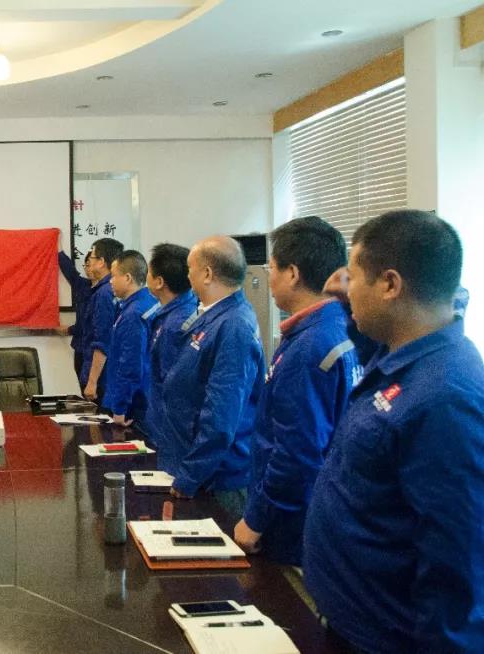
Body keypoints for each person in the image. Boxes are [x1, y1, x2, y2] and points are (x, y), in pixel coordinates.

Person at [303, 210, 484, 651]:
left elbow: (457, 562)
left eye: (353, 278)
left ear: (389, 285)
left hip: (382, 638)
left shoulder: (446, 396)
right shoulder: (403, 354)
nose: (345, 289)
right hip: (351, 620)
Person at [232, 217, 358, 566]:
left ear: (292, 273)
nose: (268, 278)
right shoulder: (335, 328)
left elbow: (297, 451)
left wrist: (256, 519)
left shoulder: (310, 345)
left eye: (271, 268)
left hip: (294, 519)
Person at [157, 236, 263, 521]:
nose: (187, 274)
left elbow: (221, 415)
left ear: (207, 274)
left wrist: (190, 474)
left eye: (190, 268)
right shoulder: (214, 315)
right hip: (194, 466)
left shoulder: (234, 325)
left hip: (217, 478)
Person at [144, 243, 197, 450]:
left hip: (170, 428)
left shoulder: (177, 323)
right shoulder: (171, 313)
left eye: (148, 273)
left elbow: (173, 385)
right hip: (161, 420)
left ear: (159, 282)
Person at [103, 250, 158, 427]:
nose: (110, 281)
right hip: (145, 397)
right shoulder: (149, 301)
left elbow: (130, 364)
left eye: (113, 276)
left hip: (133, 405)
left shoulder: (133, 314)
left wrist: (120, 408)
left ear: (127, 278)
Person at [82, 237, 125, 404]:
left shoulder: (104, 293)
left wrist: (92, 381)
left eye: (92, 257)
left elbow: (102, 340)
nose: (89, 262)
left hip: (102, 376)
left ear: (101, 262)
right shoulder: (108, 289)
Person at [57, 250, 95, 385]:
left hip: (95, 350)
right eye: (86, 265)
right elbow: (70, 272)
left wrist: (70, 330)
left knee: (96, 389)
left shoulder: (107, 292)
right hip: (80, 347)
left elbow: (89, 324)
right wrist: (59, 251)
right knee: (83, 386)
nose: (88, 269)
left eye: (91, 264)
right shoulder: (83, 285)